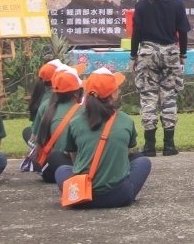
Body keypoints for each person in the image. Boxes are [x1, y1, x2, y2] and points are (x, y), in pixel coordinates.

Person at [55, 68, 151, 208]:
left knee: (62, 170)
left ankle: (75, 192)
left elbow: (74, 159)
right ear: (113, 94)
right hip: (118, 196)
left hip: (81, 197)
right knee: (142, 161)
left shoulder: (75, 122)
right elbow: (127, 153)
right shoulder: (126, 121)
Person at [130, 0, 190, 157]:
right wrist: (183, 55)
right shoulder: (177, 4)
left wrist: (134, 56)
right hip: (171, 53)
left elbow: (136, 33)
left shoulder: (141, 4)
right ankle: (169, 145)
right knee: (169, 97)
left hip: (147, 53)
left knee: (148, 97)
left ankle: (149, 145)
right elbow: (183, 32)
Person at [33, 67, 84, 182]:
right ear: (76, 93)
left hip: (56, 165)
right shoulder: (86, 111)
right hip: (82, 164)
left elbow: (38, 149)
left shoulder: (49, 111)